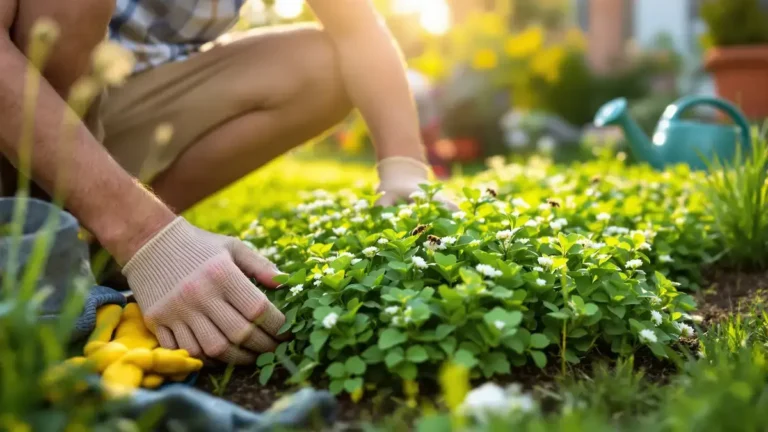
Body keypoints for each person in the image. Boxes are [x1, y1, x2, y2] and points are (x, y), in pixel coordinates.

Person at [0, 0, 453, 365]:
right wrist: (145, 235)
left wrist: (405, 171)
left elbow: (358, 29)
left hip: (118, 106)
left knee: (322, 65)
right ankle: (44, 239)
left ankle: (91, 247)